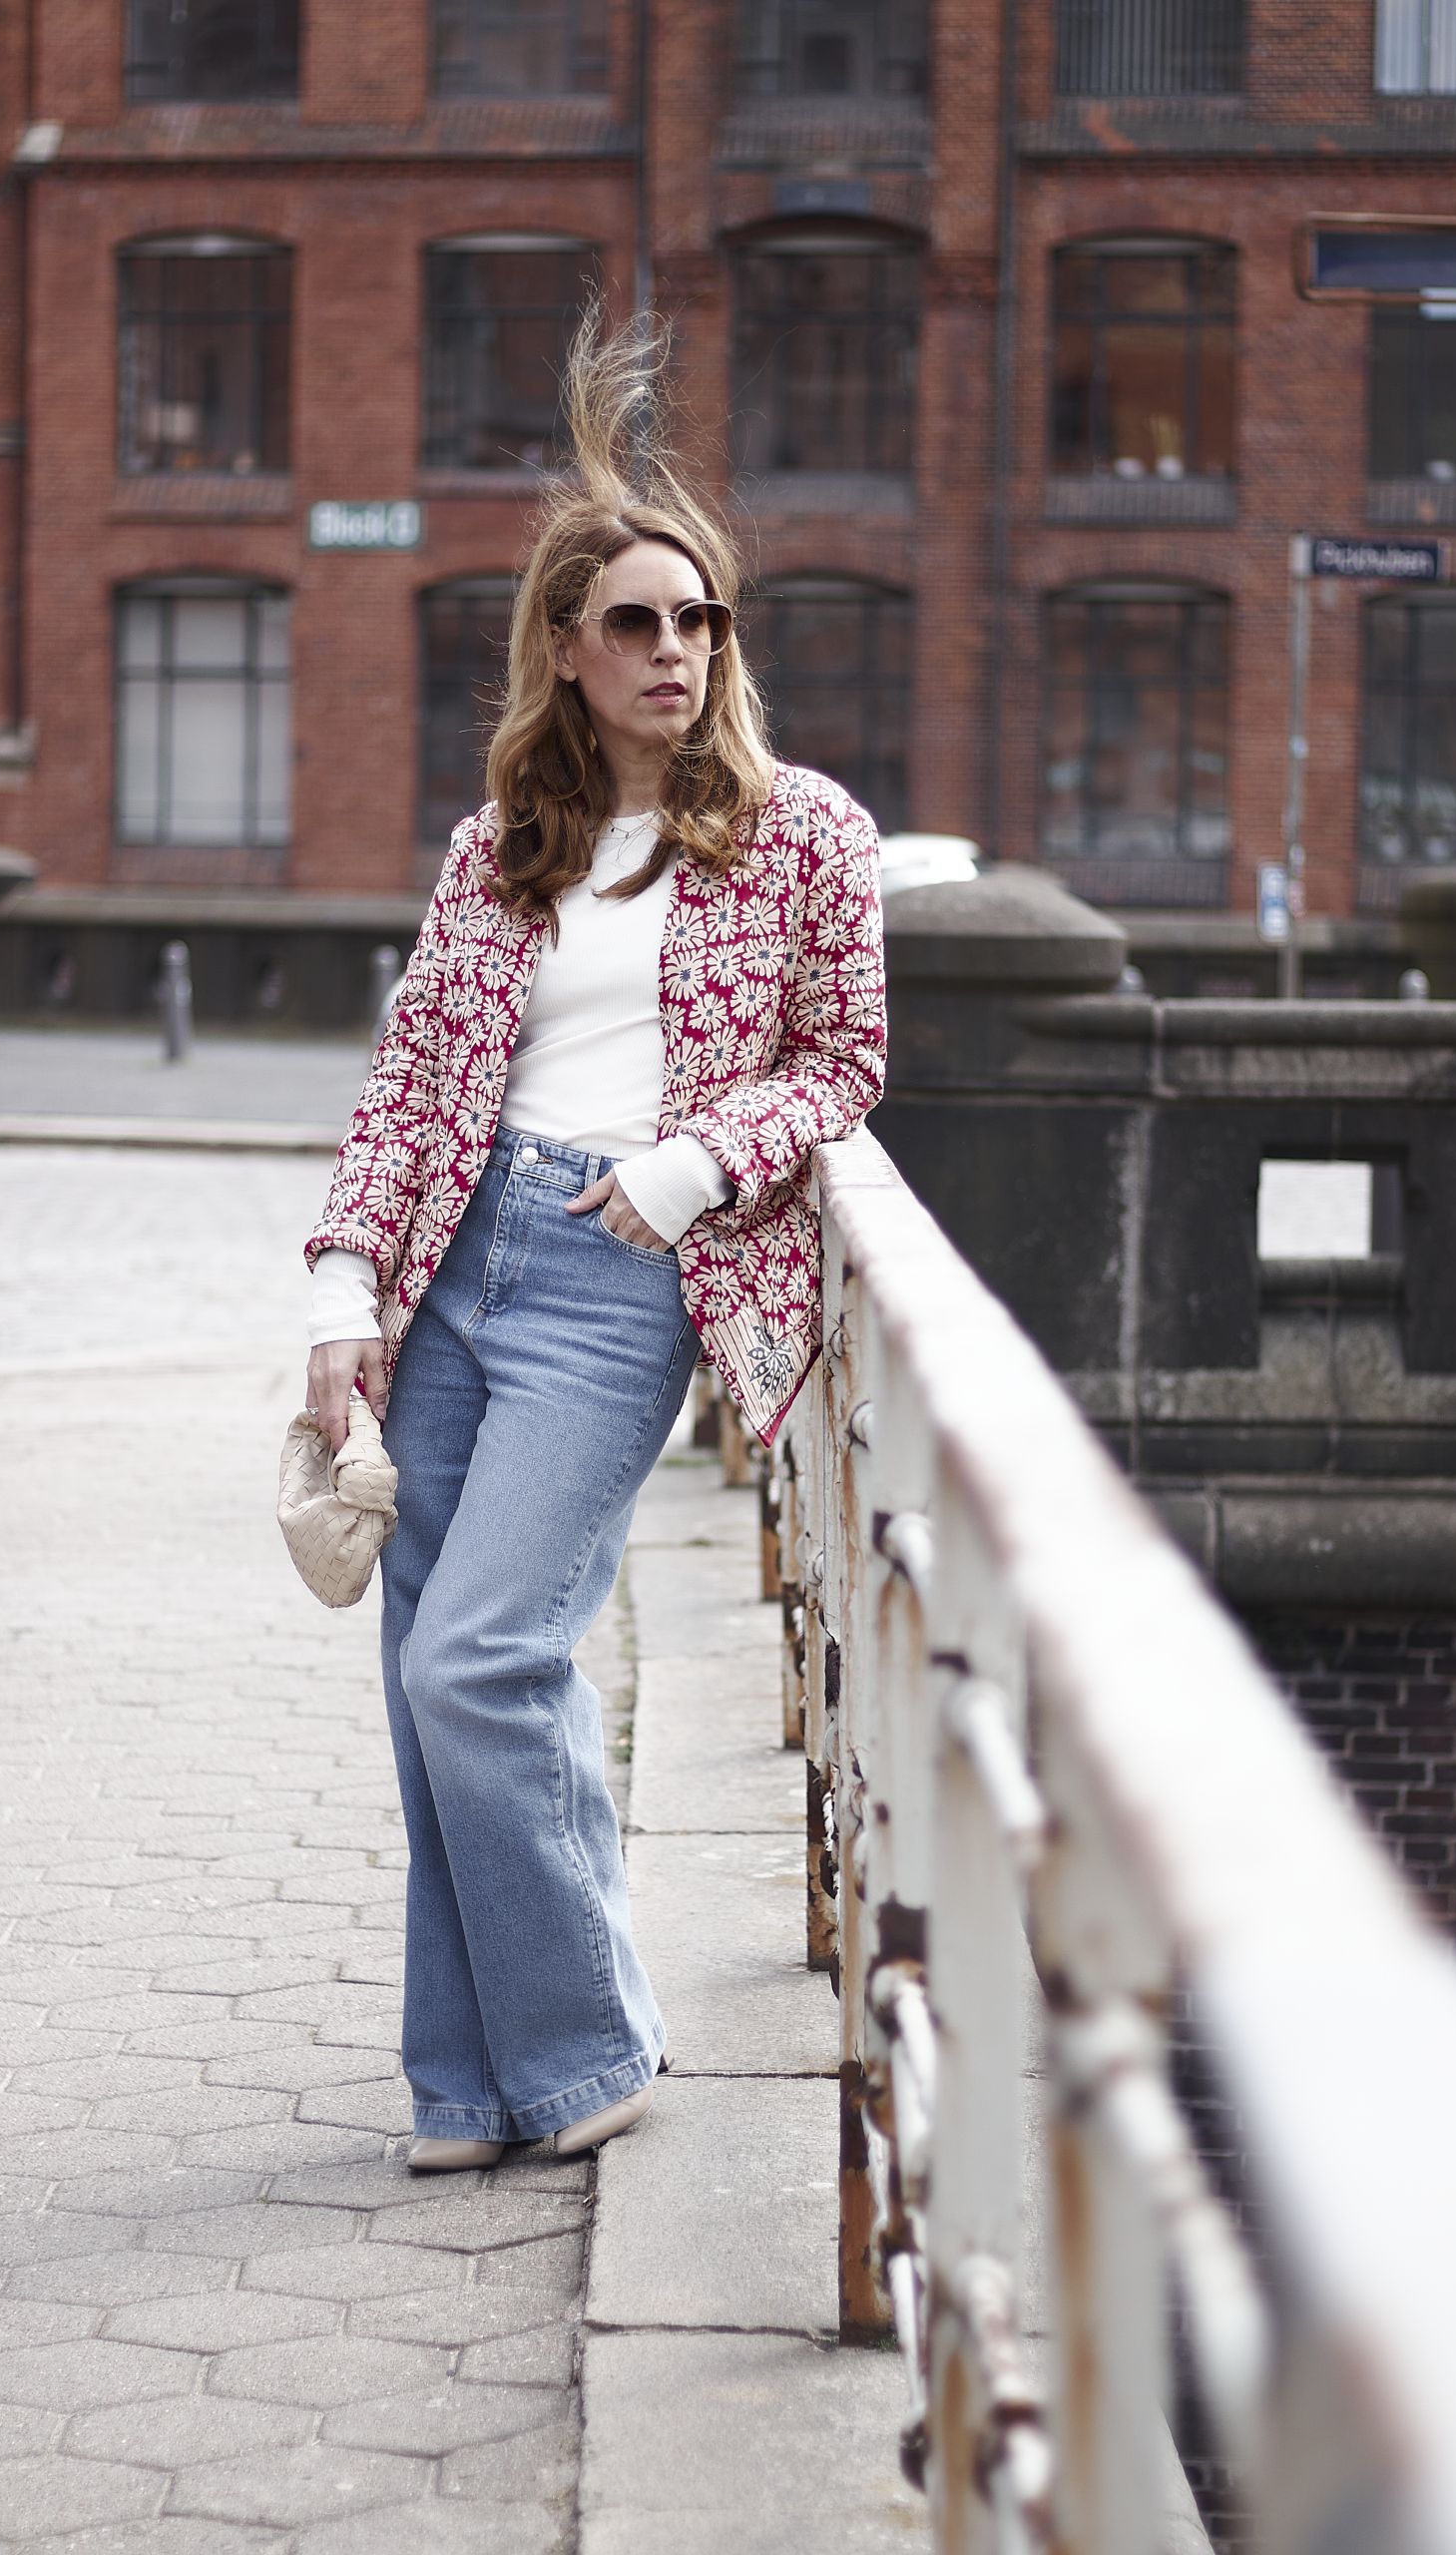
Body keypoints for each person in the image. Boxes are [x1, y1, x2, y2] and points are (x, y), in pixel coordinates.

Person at [303, 313, 886, 2172]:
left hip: (619, 1272)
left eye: (700, 619)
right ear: (566, 647)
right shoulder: (504, 844)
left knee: (486, 1658)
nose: (673, 651)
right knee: (428, 1678)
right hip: (456, 1263)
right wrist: (340, 1299)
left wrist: (700, 1169)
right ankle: (466, 2084)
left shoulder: (801, 835)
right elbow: (409, 1082)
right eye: (634, 621)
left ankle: (587, 2050)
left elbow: (849, 1061)